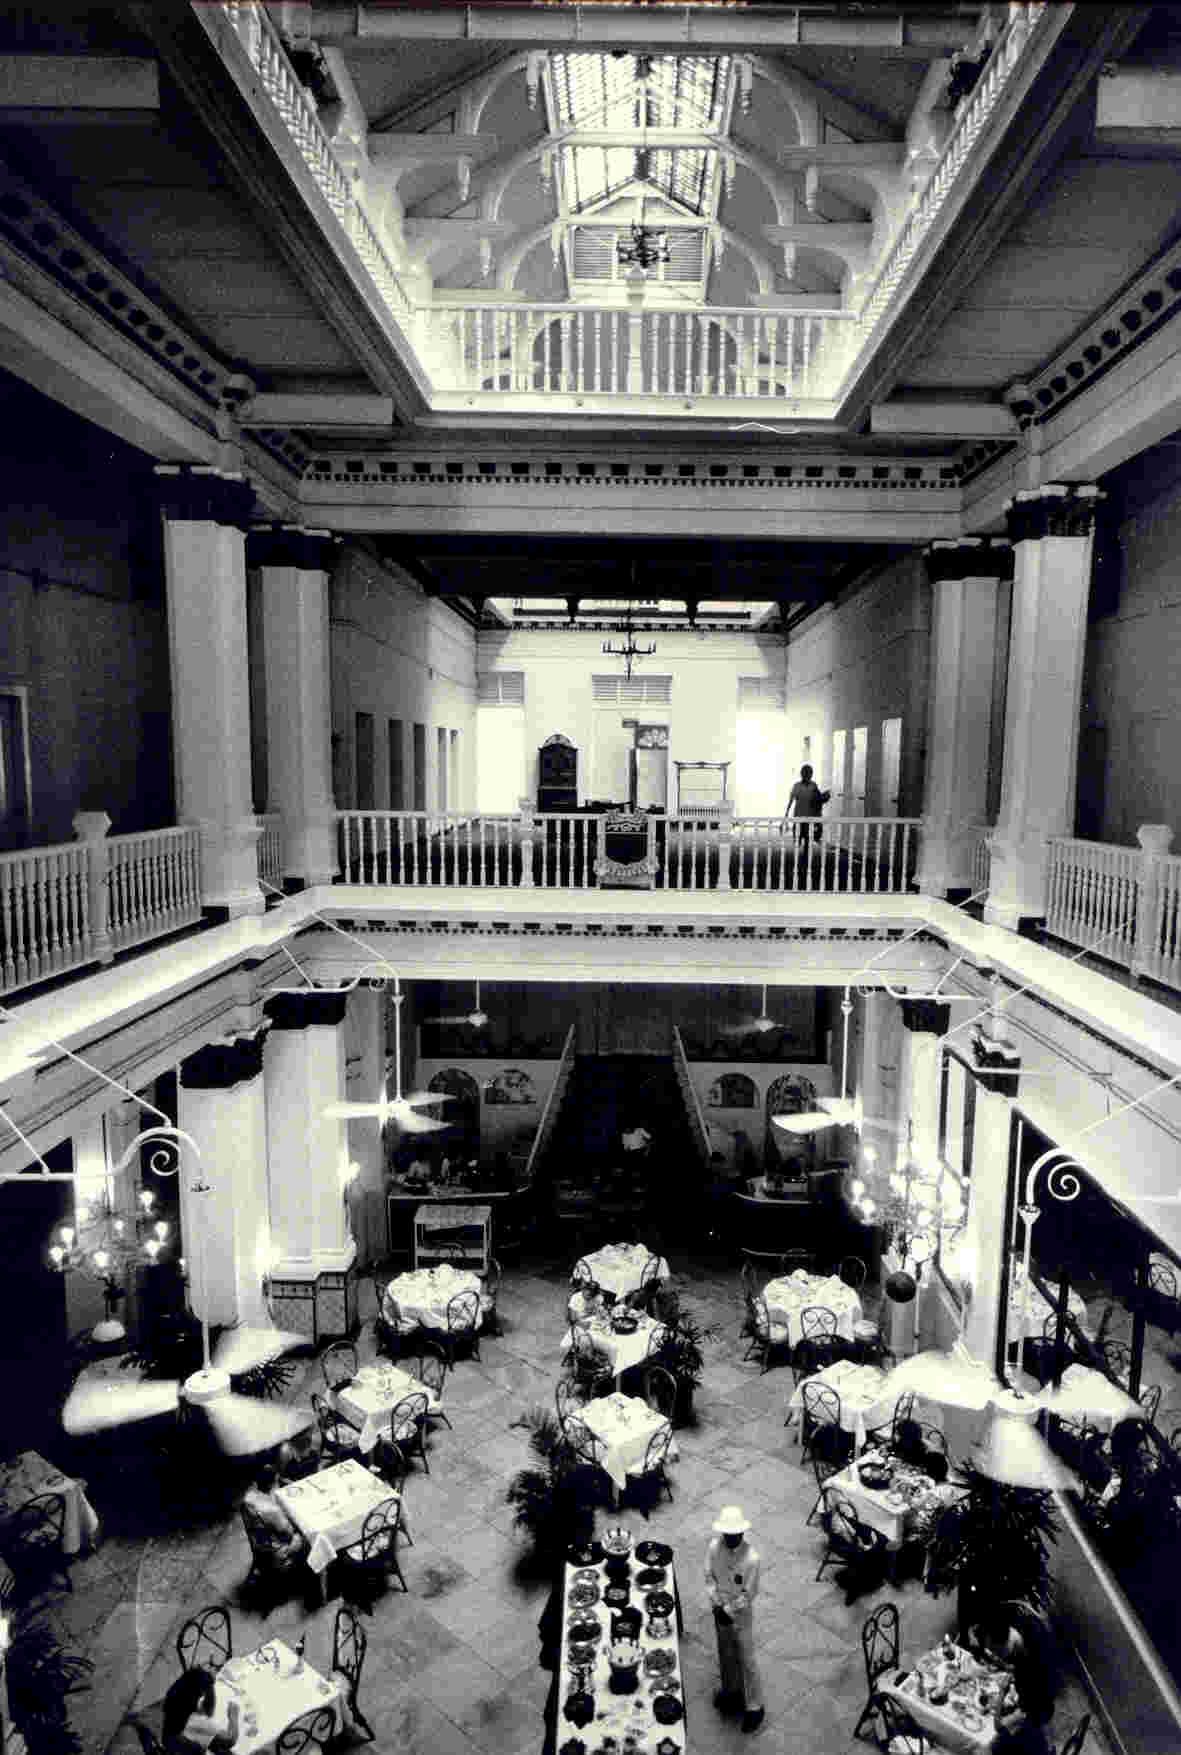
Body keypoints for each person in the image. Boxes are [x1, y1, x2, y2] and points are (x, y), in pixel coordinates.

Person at [705, 1505, 765, 1734]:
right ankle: (730, 1692)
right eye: (727, 1535)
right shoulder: (713, 1548)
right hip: (718, 1609)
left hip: (740, 1616)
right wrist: (716, 1603)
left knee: (747, 1659)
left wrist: (728, 1610)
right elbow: (708, 1576)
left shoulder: (752, 1559)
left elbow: (749, 1594)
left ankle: (754, 1706)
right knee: (725, 1653)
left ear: (742, 1533)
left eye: (734, 1535)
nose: (730, 1539)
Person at [969, 1603, 1058, 1755]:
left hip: (1033, 1724)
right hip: (1037, 1706)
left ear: (1004, 1646)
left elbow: (999, 1726)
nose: (993, 1655)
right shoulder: (1023, 1640)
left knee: (979, 1749)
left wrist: (1003, 1693)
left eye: (995, 1650)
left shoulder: (1028, 1679)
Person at [241, 1461, 308, 1565]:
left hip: (257, 1544)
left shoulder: (247, 1497)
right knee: (309, 1534)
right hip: (277, 1552)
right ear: (275, 1481)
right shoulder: (272, 1510)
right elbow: (289, 1532)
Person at [162, 1667, 239, 1755]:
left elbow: (207, 1711)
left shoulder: (176, 1702)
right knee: (224, 1749)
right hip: (185, 1747)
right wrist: (233, 1715)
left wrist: (209, 1683)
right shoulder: (195, 1720)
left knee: (220, 1748)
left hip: (174, 1742)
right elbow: (230, 1740)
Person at [784, 764, 830, 843]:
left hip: (809, 817)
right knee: (797, 840)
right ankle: (799, 851)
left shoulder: (813, 786)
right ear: (801, 774)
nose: (807, 775)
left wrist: (826, 796)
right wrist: (786, 816)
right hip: (798, 817)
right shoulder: (797, 786)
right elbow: (790, 801)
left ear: (811, 774)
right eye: (805, 773)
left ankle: (806, 854)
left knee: (807, 839)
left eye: (809, 773)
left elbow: (818, 799)